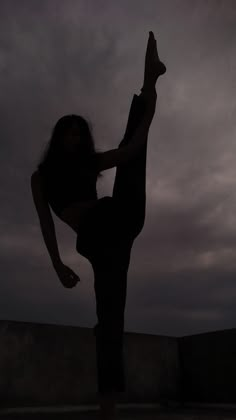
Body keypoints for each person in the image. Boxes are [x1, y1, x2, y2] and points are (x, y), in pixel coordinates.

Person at [31, 31, 166, 420]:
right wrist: (57, 265)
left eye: (79, 132)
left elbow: (130, 150)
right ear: (59, 137)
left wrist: (151, 107)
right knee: (111, 319)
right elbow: (46, 223)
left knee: (132, 153)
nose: (74, 137)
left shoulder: (89, 163)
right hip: (98, 238)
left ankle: (150, 82)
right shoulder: (41, 177)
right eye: (68, 132)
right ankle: (108, 408)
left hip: (120, 218)